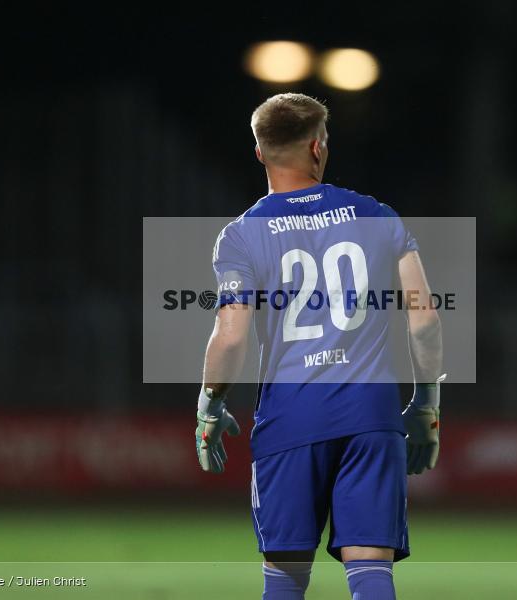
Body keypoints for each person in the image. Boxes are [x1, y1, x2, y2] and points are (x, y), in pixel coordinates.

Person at [193, 93, 444, 600]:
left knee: (286, 578)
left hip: (292, 416)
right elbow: (424, 320)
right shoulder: (376, 214)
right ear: (318, 146)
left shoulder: (241, 235)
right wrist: (426, 404)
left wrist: (210, 405)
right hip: (371, 414)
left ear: (260, 153)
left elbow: (232, 334)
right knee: (371, 572)